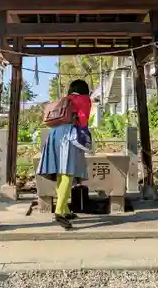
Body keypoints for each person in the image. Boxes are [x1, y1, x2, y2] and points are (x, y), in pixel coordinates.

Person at [36, 79, 92, 230]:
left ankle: (65, 210)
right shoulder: (84, 99)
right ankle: (59, 211)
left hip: (54, 135)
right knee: (68, 172)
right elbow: (83, 119)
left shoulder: (65, 99)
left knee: (61, 173)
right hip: (70, 135)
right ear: (84, 89)